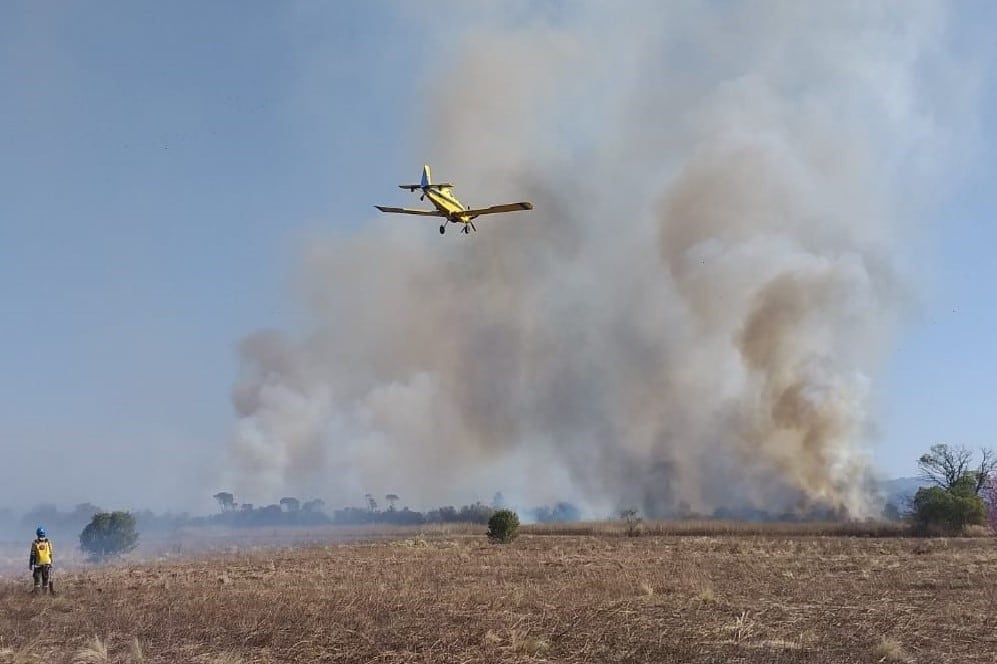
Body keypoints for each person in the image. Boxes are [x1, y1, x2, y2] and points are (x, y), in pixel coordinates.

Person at [29, 527, 54, 594]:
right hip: (47, 563)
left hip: (38, 563)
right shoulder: (48, 542)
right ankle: (44, 594)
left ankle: (36, 593)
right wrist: (51, 562)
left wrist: (30, 564)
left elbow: (32, 554)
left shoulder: (35, 542)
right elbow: (51, 553)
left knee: (37, 578)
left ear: (37, 534)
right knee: (45, 578)